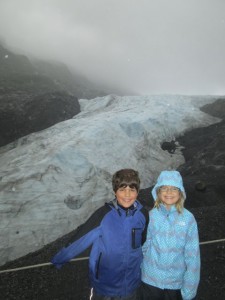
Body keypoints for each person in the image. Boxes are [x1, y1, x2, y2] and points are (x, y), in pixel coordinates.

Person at [51, 168, 149, 300]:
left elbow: (143, 242)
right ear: (115, 191)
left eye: (132, 190)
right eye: (122, 189)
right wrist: (59, 259)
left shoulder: (142, 214)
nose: (127, 195)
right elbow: (79, 240)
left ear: (137, 192)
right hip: (104, 285)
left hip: (130, 284)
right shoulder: (103, 215)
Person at [141, 170, 200, 300]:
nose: (169, 192)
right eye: (164, 188)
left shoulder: (188, 219)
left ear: (180, 192)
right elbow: (144, 247)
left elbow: (193, 256)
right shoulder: (151, 216)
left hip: (175, 284)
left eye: (174, 188)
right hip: (150, 281)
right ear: (158, 192)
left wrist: (189, 289)